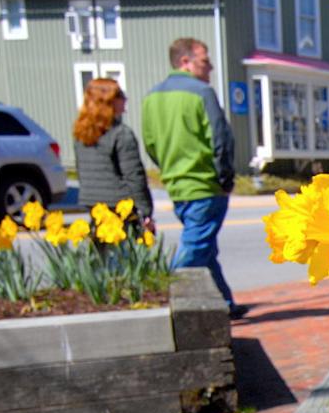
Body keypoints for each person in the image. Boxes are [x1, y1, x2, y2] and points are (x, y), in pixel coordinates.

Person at [142, 37, 247, 318]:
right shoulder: (202, 93)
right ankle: (162, 301)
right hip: (205, 185)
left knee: (204, 247)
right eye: (204, 60)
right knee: (193, 252)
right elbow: (221, 139)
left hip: (177, 186)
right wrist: (225, 178)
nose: (210, 66)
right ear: (184, 62)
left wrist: (170, 168)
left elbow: (150, 143)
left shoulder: (152, 97)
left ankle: (226, 304)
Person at [73, 78, 154, 233]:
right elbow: (134, 176)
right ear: (109, 101)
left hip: (93, 202)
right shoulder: (121, 134)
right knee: (126, 254)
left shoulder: (80, 133)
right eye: (120, 95)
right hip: (120, 204)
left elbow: (81, 170)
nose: (125, 99)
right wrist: (145, 210)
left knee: (102, 251)